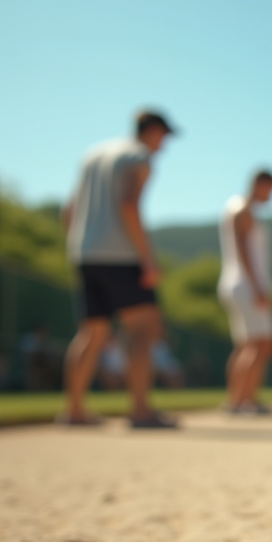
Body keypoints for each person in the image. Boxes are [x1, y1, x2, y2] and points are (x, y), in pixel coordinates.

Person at [60, 110, 178, 428]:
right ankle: (140, 410)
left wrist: (79, 247)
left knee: (92, 332)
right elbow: (129, 205)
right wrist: (148, 259)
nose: (164, 145)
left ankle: (73, 410)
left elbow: (68, 211)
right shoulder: (138, 157)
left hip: (84, 252)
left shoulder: (93, 155)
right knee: (142, 328)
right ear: (152, 130)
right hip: (121, 254)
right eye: (164, 136)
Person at [218, 169, 272, 415]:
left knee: (247, 344)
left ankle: (237, 400)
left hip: (238, 283)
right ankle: (245, 400)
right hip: (246, 284)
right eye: (271, 189)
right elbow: (243, 249)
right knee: (261, 343)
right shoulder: (242, 209)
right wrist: (257, 286)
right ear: (260, 184)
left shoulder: (236, 208)